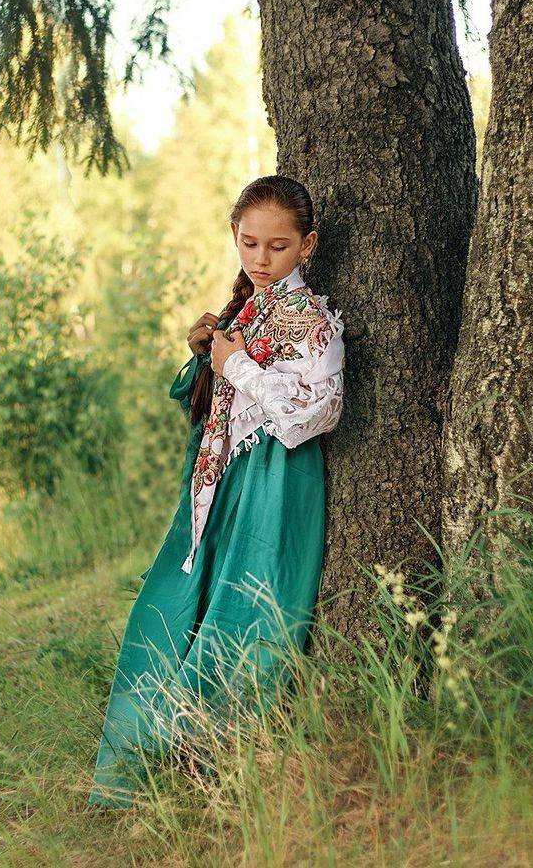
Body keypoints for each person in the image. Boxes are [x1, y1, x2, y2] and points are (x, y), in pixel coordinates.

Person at [87, 174, 346, 809]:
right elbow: (216, 407)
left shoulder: (314, 322)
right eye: (249, 243)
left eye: (278, 247)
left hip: (274, 484)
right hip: (219, 481)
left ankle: (221, 776)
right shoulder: (243, 311)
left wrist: (236, 365)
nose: (261, 259)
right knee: (169, 606)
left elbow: (313, 413)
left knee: (245, 615)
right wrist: (206, 354)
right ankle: (145, 768)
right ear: (235, 234)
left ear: (307, 245)